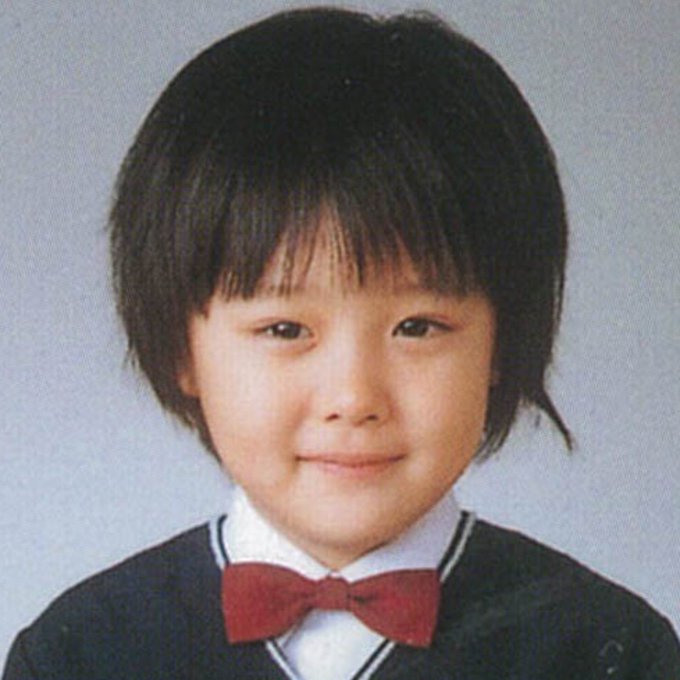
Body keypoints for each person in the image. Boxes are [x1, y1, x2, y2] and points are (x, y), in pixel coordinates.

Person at [3, 7, 679, 679]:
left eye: (417, 327)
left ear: (501, 342)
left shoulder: (607, 649)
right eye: (285, 329)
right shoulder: (81, 653)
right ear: (183, 350)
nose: (354, 398)